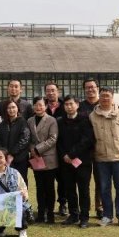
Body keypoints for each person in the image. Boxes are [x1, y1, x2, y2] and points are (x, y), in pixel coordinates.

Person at [89, 87, 119, 228]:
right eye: (102, 96)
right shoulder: (92, 116)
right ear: (99, 97)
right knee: (104, 188)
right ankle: (107, 216)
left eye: (107, 96)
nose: (105, 98)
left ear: (112, 97)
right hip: (101, 158)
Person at [57, 95, 95, 228]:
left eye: (71, 104)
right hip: (66, 162)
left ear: (77, 105)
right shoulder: (60, 121)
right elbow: (58, 141)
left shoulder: (85, 120)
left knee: (84, 190)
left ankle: (84, 217)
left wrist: (72, 154)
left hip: (82, 161)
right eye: (66, 104)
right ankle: (73, 215)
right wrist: (64, 155)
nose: (68, 107)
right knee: (70, 189)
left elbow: (87, 140)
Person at [0, 148, 29, 237]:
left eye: (1, 157)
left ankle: (22, 229)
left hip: (14, 206)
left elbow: (24, 189)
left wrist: (24, 194)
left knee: (22, 208)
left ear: (6, 159)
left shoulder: (15, 173)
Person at [28, 96, 59, 223]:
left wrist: (37, 149)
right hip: (36, 159)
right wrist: (32, 149)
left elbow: (53, 139)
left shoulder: (51, 120)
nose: (38, 107)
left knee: (49, 188)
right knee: (39, 187)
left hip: (48, 158)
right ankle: (41, 213)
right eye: (36, 105)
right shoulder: (30, 120)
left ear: (46, 106)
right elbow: (29, 138)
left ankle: (50, 213)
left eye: (41, 105)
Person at [79, 78, 103, 219]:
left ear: (97, 88)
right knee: (84, 182)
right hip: (84, 151)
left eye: (92, 87)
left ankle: (100, 207)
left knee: (101, 180)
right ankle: (85, 209)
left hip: (101, 149)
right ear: (84, 90)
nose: (90, 89)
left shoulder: (104, 104)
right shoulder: (80, 106)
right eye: (87, 87)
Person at [44, 81, 67, 215]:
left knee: (63, 179)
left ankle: (63, 203)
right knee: (47, 180)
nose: (50, 93)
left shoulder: (65, 106)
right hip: (46, 151)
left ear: (58, 91)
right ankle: (48, 206)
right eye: (48, 90)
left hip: (62, 149)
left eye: (53, 90)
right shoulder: (42, 107)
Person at [0, 100, 30, 187]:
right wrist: (4, 154)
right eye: (9, 108)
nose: (11, 110)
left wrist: (12, 153)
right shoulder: (2, 124)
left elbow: (24, 139)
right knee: (6, 183)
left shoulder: (23, 122)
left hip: (20, 159)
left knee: (20, 183)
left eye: (13, 107)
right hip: (5, 159)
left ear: (17, 108)